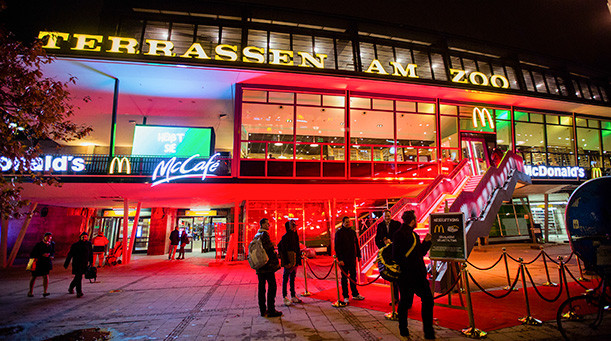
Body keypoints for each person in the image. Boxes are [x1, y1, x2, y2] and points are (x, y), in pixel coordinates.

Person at [392, 210, 434, 339]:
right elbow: (419, 253)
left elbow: (397, 256)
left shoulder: (398, 234)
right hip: (416, 275)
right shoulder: (412, 235)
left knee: (404, 302)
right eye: (415, 219)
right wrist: (426, 243)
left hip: (404, 276)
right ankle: (428, 331)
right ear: (412, 221)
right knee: (427, 300)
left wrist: (425, 242)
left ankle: (403, 329)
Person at [253, 218, 282, 317]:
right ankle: (271, 309)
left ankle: (262, 310)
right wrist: (276, 258)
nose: (269, 226)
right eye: (267, 224)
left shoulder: (257, 235)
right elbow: (269, 250)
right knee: (272, 286)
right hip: (267, 266)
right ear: (263, 224)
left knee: (261, 288)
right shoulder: (264, 235)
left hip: (260, 266)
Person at [334, 216, 365, 304]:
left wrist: (358, 255)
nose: (348, 223)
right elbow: (337, 247)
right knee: (344, 278)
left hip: (352, 258)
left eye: (349, 222)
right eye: (346, 222)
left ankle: (355, 294)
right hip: (343, 259)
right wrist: (340, 259)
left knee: (353, 277)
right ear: (343, 223)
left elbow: (356, 244)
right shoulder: (339, 233)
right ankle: (346, 296)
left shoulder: (352, 232)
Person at [375, 209, 402, 304]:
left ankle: (403, 298)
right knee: (392, 277)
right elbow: (377, 239)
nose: (387, 218)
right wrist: (383, 244)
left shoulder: (397, 224)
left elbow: (400, 237)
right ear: (383, 217)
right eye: (385, 216)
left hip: (397, 253)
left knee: (400, 277)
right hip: (386, 255)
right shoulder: (380, 226)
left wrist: (393, 242)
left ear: (391, 216)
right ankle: (395, 298)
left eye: (388, 216)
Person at [278, 220, 303, 306]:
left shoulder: (295, 235)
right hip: (289, 260)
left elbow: (297, 248)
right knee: (286, 278)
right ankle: (285, 296)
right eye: (293, 225)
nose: (295, 226)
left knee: (292, 278)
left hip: (295, 260)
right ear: (289, 227)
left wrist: (298, 259)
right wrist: (286, 261)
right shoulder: (285, 237)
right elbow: (283, 249)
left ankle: (293, 295)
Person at [64, 232, 93, 298]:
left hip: (84, 263)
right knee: (78, 277)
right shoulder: (75, 245)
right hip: (77, 263)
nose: (84, 238)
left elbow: (90, 253)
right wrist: (66, 263)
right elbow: (70, 254)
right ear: (80, 237)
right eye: (83, 237)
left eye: (85, 237)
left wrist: (91, 262)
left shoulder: (88, 244)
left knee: (78, 277)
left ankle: (71, 287)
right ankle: (79, 292)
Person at [28, 232, 55, 297]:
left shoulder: (52, 244)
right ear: (44, 237)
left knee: (46, 276)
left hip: (46, 263)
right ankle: (30, 291)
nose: (49, 238)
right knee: (34, 276)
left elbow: (53, 251)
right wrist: (42, 254)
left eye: (50, 237)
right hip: (38, 262)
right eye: (48, 237)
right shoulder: (39, 245)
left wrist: (51, 256)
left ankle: (45, 291)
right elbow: (33, 253)